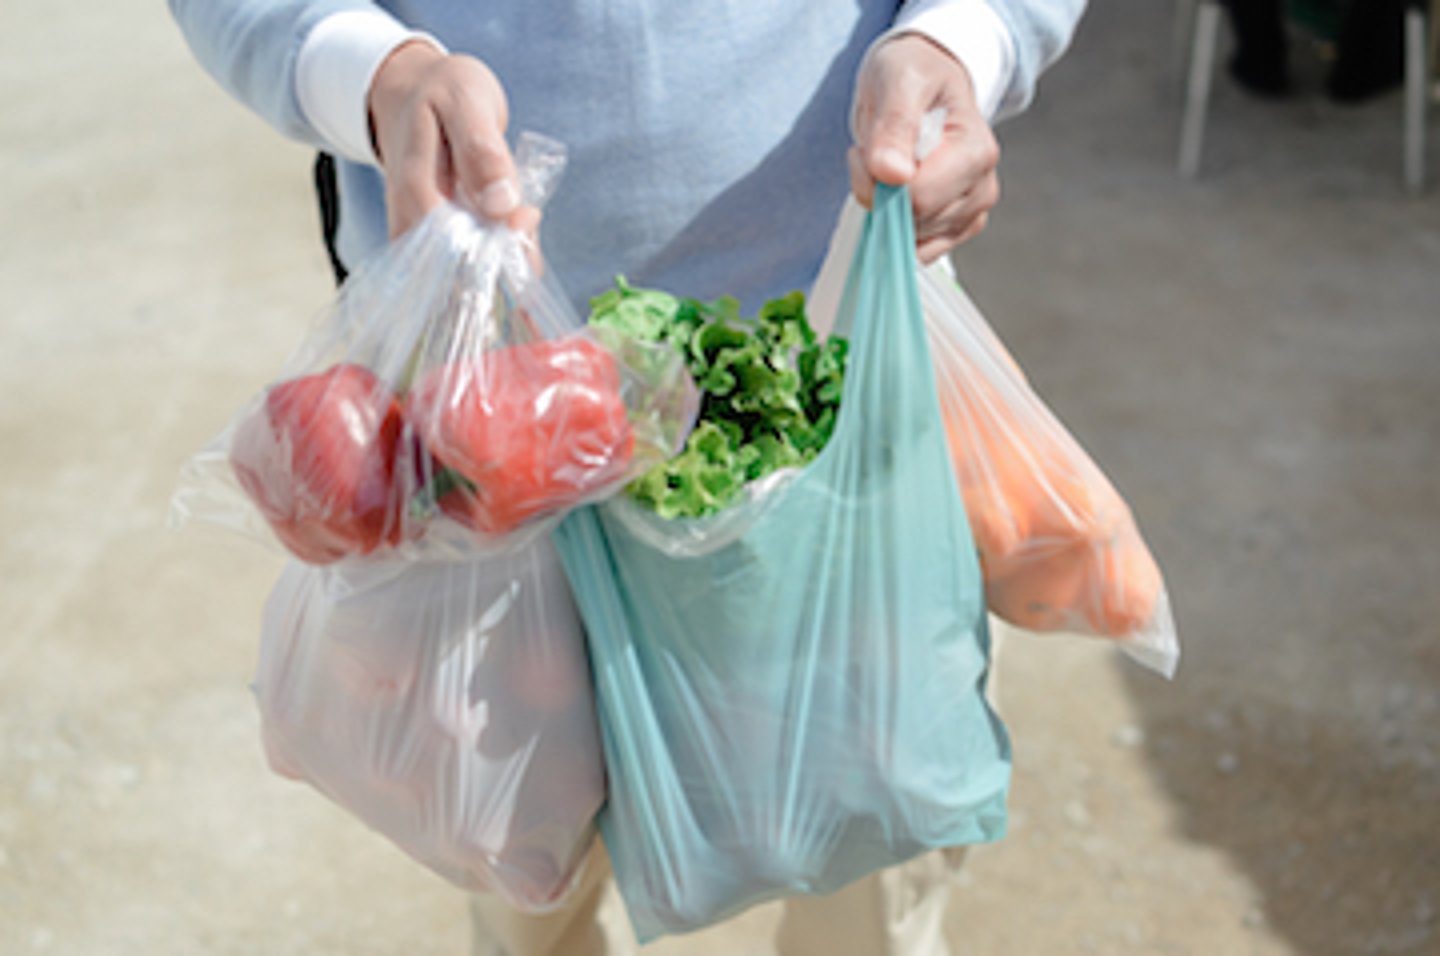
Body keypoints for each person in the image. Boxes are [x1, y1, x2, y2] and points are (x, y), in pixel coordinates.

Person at [168, 2, 1087, 954]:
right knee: (530, 885)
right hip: (479, 444)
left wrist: (961, 38)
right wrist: (375, 73)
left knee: (865, 873)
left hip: (826, 392)